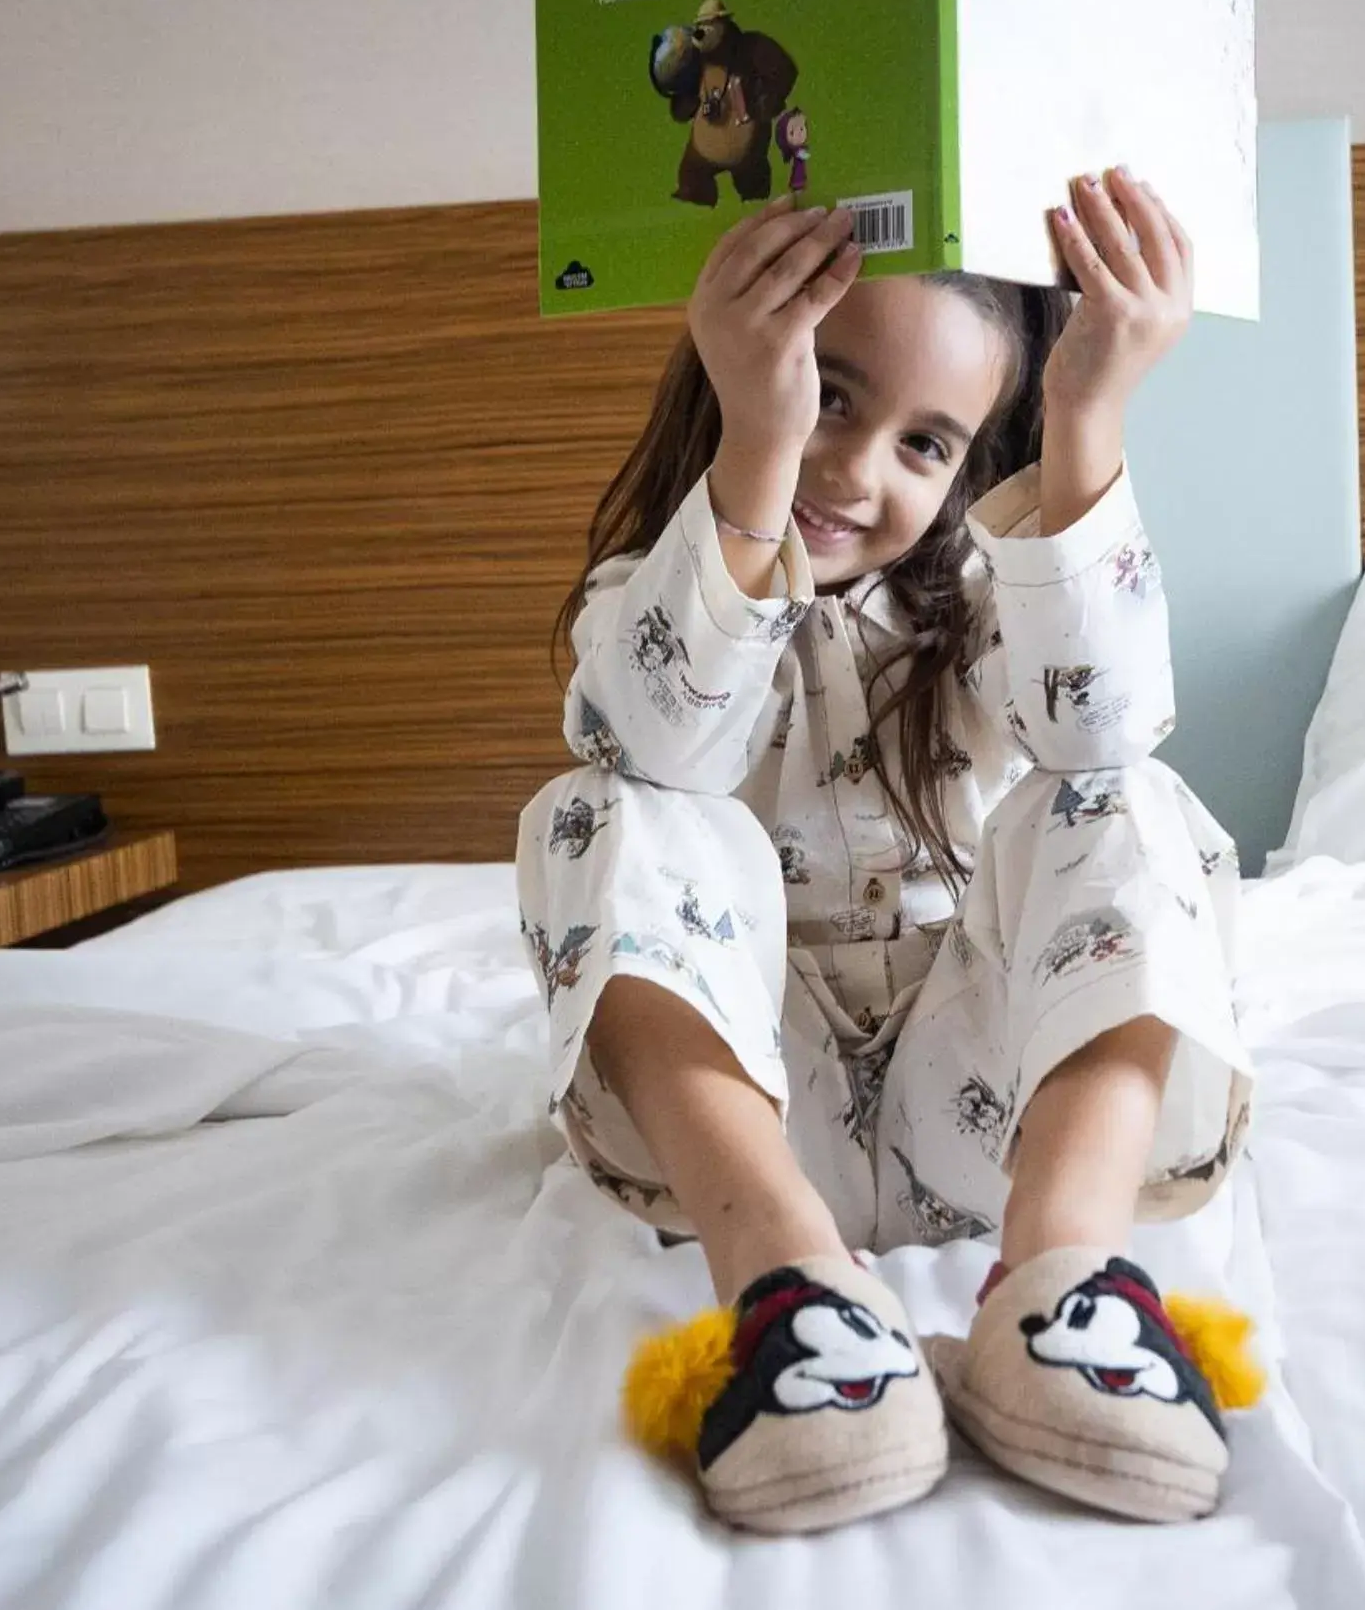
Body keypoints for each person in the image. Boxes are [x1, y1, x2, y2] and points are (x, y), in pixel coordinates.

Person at [520, 168, 1258, 1534]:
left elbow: (1105, 723)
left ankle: (1063, 1287)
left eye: (928, 444)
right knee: (604, 802)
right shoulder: (653, 598)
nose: (857, 470)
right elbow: (657, 743)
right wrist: (759, 435)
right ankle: (792, 1295)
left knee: (1121, 791)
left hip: (979, 1115)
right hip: (742, 1127)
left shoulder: (988, 593)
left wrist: (1086, 415)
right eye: (836, 394)